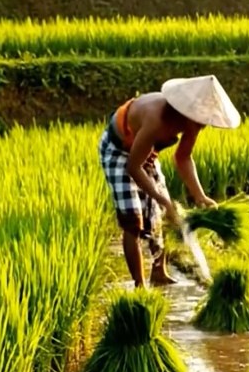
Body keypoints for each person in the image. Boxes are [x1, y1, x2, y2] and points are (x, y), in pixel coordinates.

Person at [99, 75, 240, 288]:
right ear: (188, 112)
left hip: (146, 153)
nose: (203, 126)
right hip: (119, 152)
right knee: (133, 220)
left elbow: (183, 157)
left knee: (159, 214)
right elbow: (133, 168)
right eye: (201, 121)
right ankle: (140, 286)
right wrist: (164, 200)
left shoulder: (192, 123)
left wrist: (199, 195)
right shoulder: (156, 119)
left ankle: (159, 272)